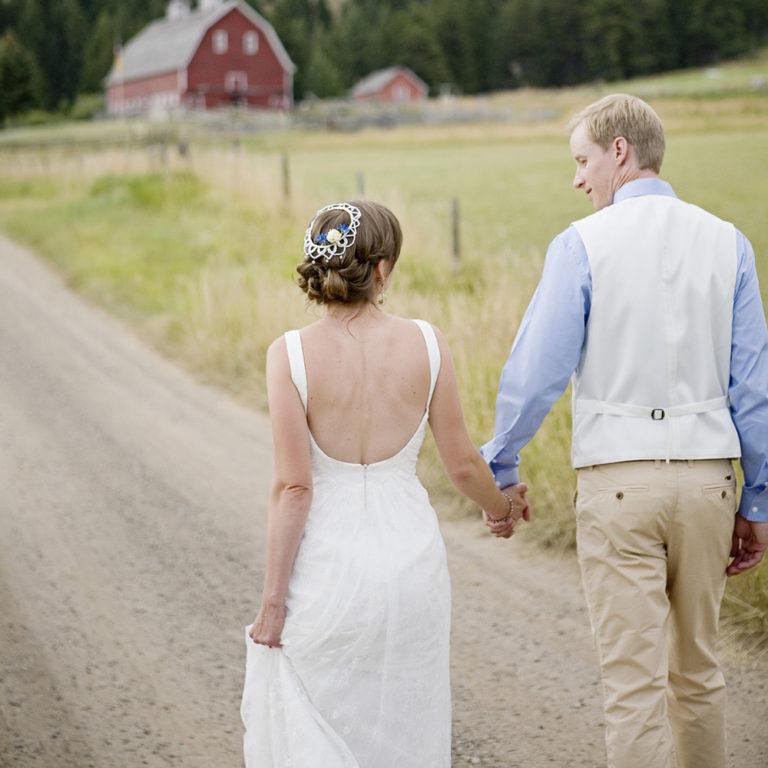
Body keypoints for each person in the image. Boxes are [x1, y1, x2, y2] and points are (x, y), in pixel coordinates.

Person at [480, 94, 768, 768]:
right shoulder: (730, 242)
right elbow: (754, 391)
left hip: (617, 490)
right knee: (698, 674)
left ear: (618, 152)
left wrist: (503, 463)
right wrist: (758, 501)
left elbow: (536, 371)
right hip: (707, 487)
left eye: (582, 160)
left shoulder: (581, 244)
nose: (577, 178)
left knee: (633, 687)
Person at [240, 200, 529, 767]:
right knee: (405, 722)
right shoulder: (427, 342)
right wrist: (501, 509)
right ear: (380, 270)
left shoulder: (289, 355)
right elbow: (464, 466)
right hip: (410, 565)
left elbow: (294, 489)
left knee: (320, 716)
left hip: (328, 568)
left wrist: (274, 602)